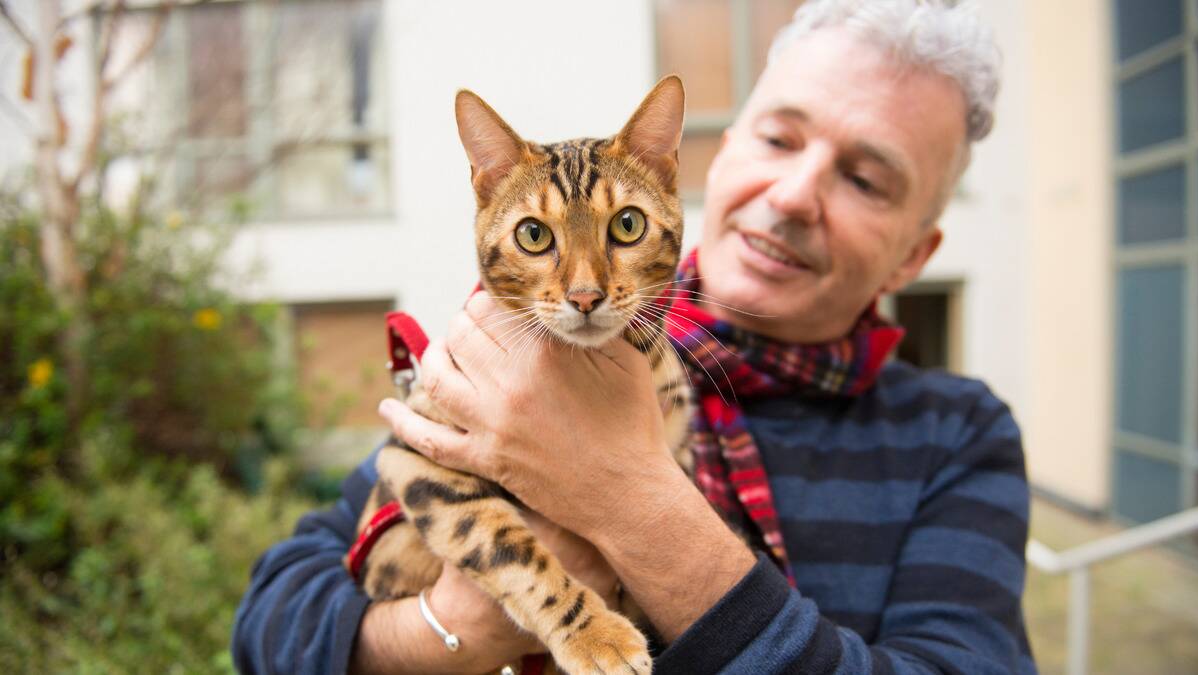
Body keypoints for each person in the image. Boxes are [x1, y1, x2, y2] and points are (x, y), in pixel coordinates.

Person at [232, 1, 1035, 673]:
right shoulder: (508, 355)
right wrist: (454, 631)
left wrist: (625, 496)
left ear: (916, 256)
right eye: (779, 139)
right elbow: (269, 620)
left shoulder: (960, 437)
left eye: (865, 179)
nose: (793, 196)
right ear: (715, 160)